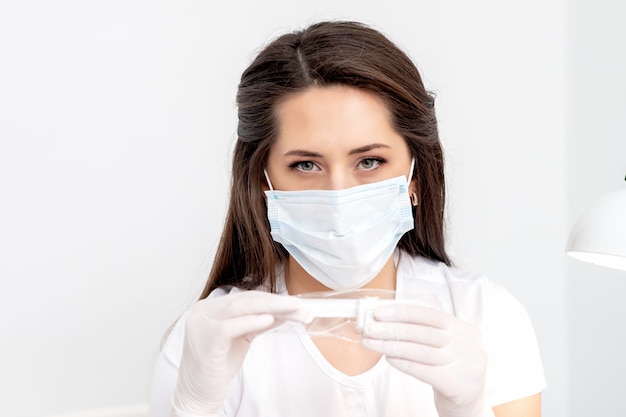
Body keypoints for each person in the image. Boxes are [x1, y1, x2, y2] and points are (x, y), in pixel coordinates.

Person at [149, 20, 545, 417]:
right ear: (263, 183)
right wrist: (193, 406)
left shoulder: (485, 315)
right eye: (305, 165)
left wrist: (468, 410)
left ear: (415, 177)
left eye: (370, 161)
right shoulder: (209, 338)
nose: (339, 195)